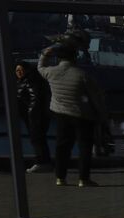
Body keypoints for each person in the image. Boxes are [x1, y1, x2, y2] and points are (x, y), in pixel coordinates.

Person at [38, 43, 108, 186]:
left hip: (61, 115)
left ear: (59, 58)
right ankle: (83, 179)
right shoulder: (82, 75)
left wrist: (45, 53)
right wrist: (102, 115)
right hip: (82, 116)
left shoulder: (51, 72)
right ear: (74, 58)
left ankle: (60, 178)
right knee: (84, 148)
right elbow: (96, 98)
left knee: (62, 147)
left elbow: (40, 68)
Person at [15, 60, 53, 172]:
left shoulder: (29, 81)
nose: (19, 72)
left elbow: (34, 98)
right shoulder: (28, 80)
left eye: (21, 70)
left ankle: (41, 162)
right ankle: (45, 162)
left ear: (27, 70)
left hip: (33, 116)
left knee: (36, 139)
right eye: (17, 70)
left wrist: (32, 114)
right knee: (38, 139)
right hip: (32, 115)